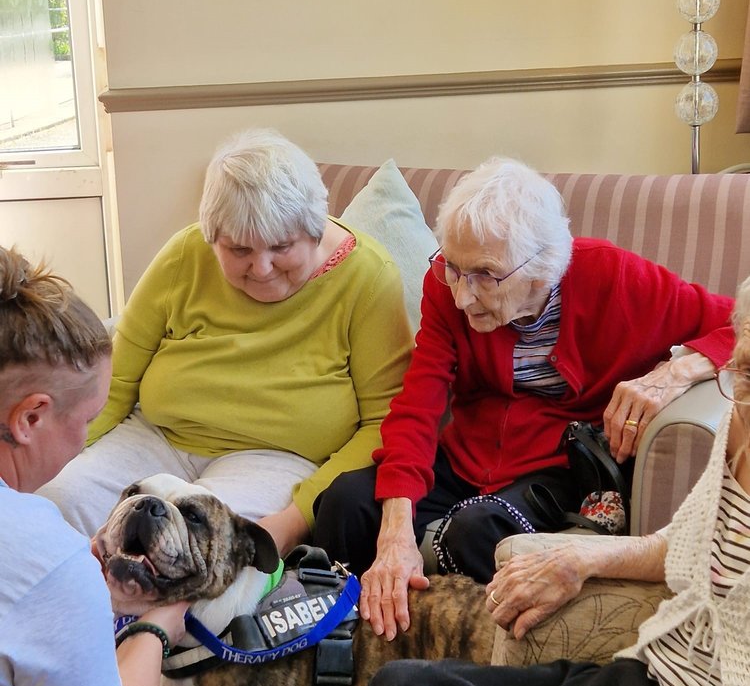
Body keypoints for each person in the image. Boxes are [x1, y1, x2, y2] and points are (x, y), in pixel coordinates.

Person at [321, 274, 750, 686]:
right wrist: (579, 554)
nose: (739, 390)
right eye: (742, 366)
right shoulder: (740, 423)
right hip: (647, 684)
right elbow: (684, 546)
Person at [313, 156, 734, 639]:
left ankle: (455, 668)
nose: (463, 297)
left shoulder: (613, 278)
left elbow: (737, 321)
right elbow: (418, 405)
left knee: (481, 532)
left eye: (485, 276)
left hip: (555, 469)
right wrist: (394, 529)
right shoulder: (444, 288)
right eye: (453, 268)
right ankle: (334, 647)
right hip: (466, 456)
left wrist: (678, 370)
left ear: (542, 269)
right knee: (346, 503)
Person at [0, 246, 255, 686]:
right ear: (29, 418)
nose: (86, 443)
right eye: (84, 423)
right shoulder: (42, 552)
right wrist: (151, 627)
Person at [38, 127, 412, 555]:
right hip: (157, 435)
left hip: (275, 459)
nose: (262, 267)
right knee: (53, 504)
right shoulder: (185, 254)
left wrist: (295, 517)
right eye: (238, 250)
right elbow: (116, 379)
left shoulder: (368, 280)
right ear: (211, 235)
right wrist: (47, 457)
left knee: (196, 553)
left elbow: (384, 422)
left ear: (313, 230)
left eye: (281, 246)